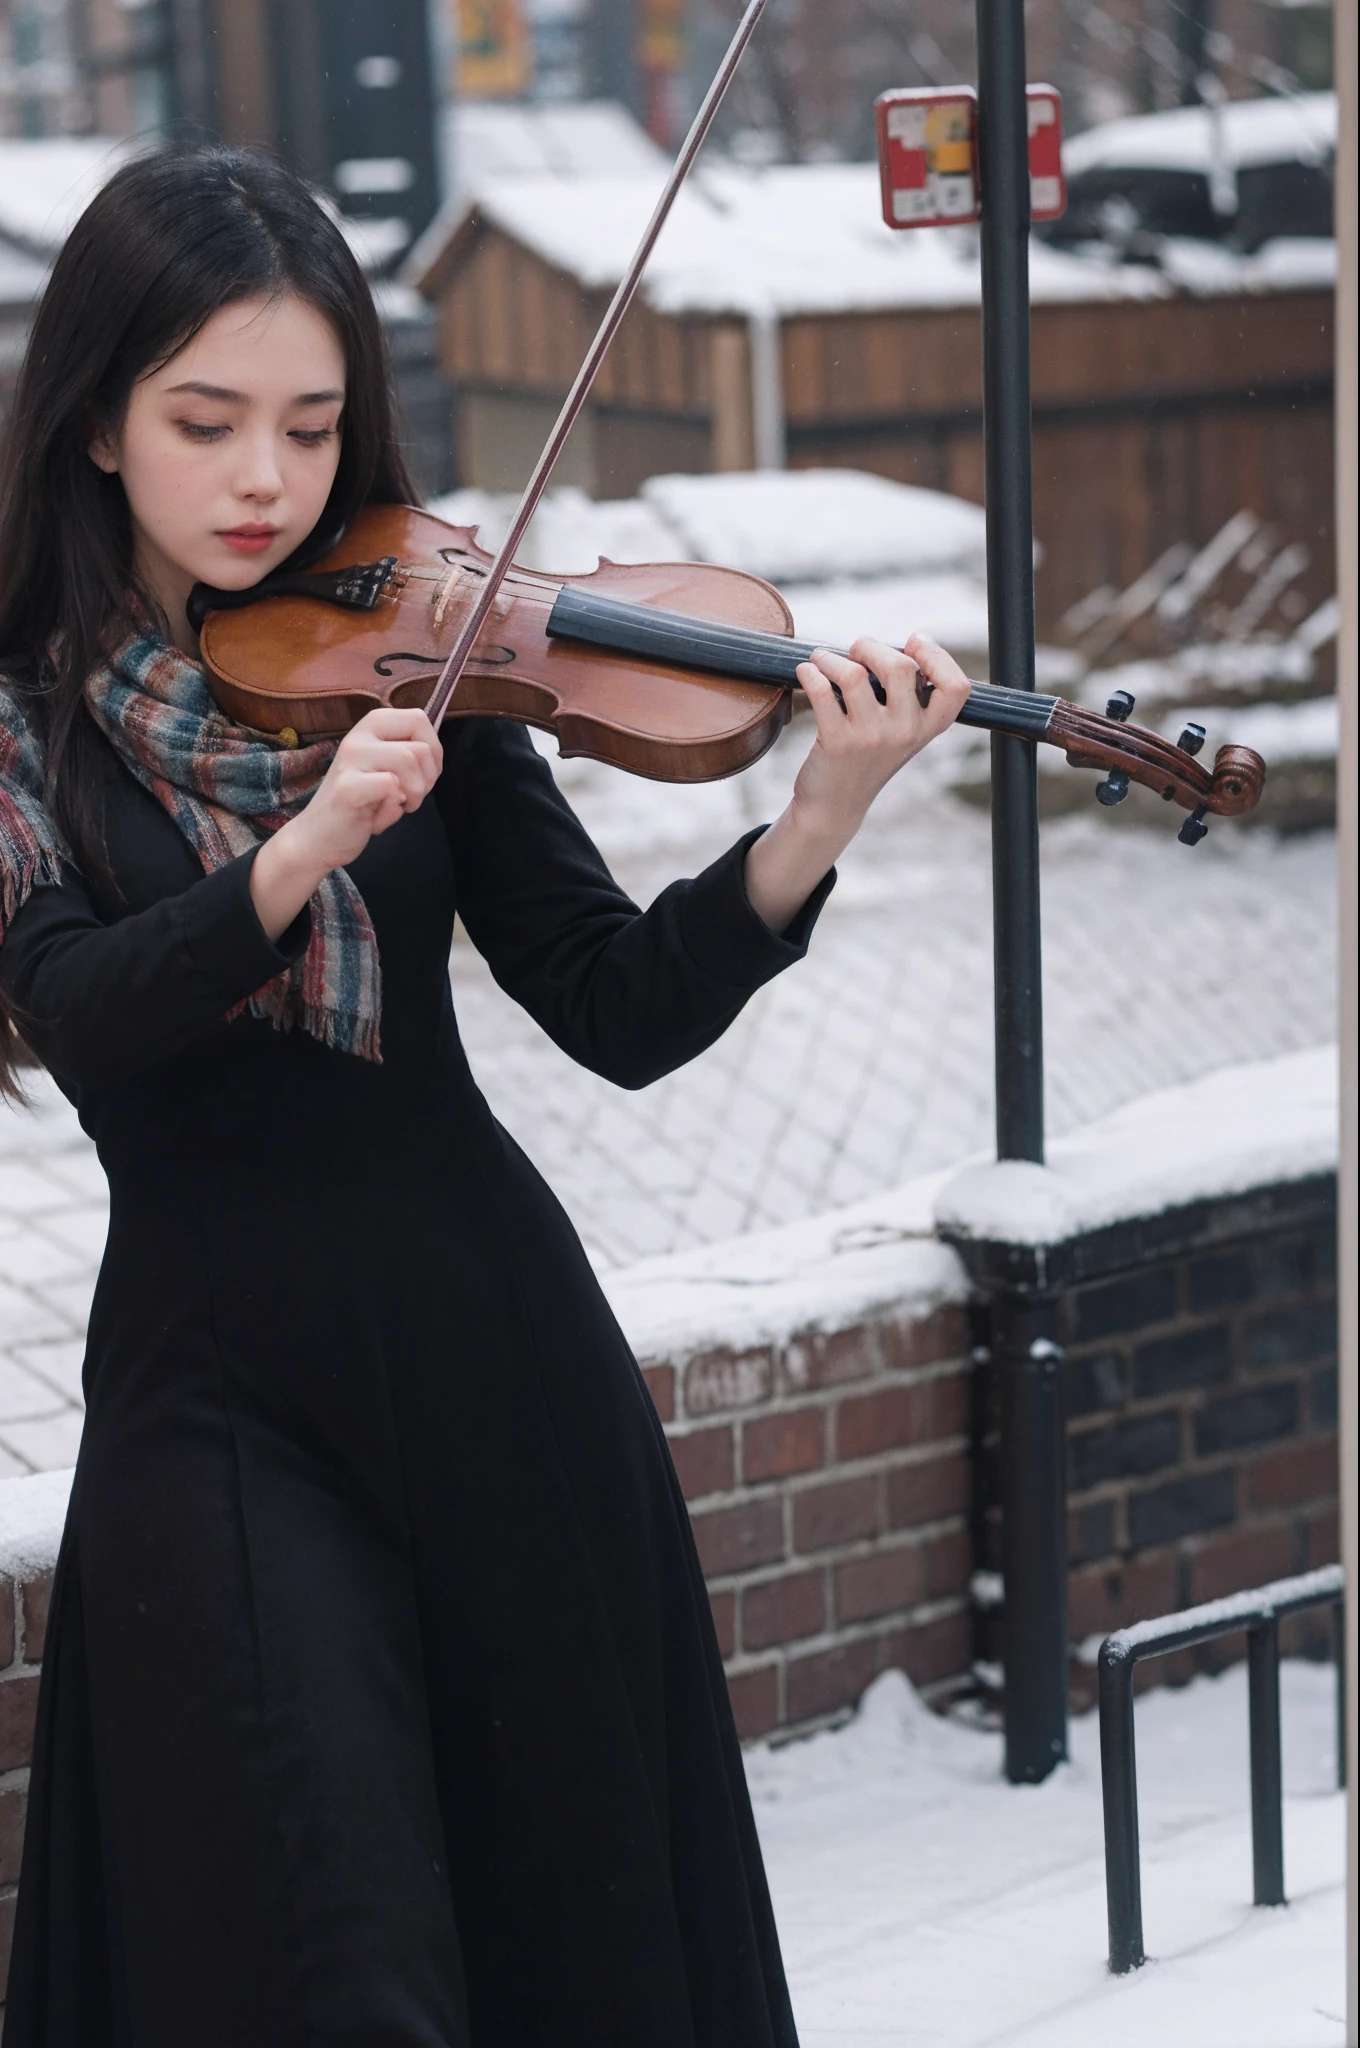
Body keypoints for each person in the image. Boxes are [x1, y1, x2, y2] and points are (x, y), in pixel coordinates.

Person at [0, 145, 969, 2046]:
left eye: (309, 421)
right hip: (215, 1393)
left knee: (570, 1938)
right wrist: (297, 854)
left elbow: (611, 1006)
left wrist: (815, 820)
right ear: (101, 422)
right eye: (207, 422)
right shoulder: (25, 722)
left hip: (494, 1360)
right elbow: (74, 1008)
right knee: (321, 1956)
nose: (268, 480)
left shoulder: (423, 643)